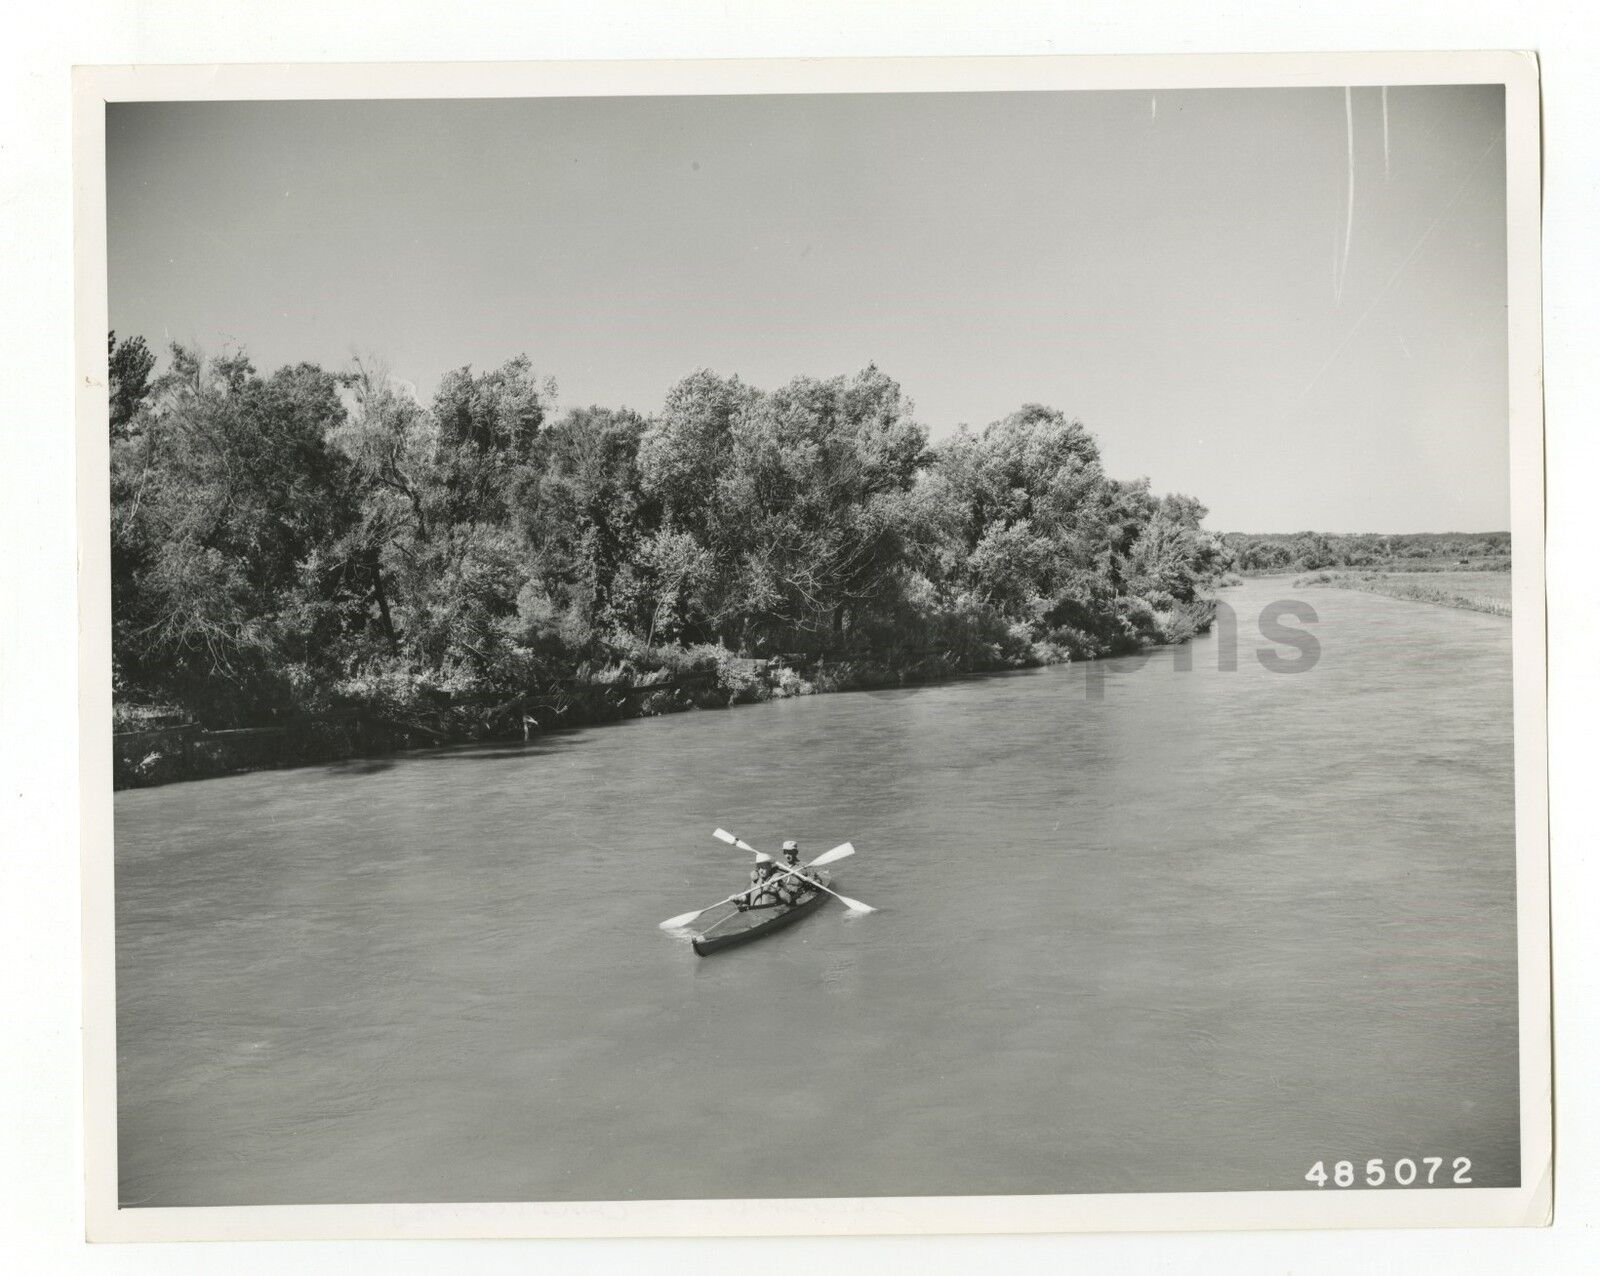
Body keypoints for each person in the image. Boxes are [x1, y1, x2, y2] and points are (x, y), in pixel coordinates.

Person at [771, 839, 817, 906]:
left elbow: (818, 881)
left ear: (796, 852)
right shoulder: (779, 866)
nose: (787, 855)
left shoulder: (805, 866)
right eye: (785, 852)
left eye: (790, 852)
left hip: (796, 896)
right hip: (781, 894)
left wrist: (812, 880)